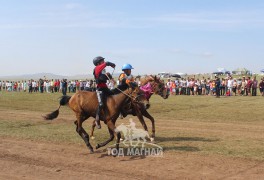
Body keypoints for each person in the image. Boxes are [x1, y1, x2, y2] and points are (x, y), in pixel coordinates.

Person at [93, 56, 116, 129]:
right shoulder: (96, 68)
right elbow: (106, 63)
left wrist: (111, 78)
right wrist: (109, 63)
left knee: (114, 97)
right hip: (100, 89)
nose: (103, 61)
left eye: (103, 60)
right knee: (101, 104)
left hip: (105, 88)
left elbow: (106, 76)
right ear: (98, 63)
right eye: (102, 61)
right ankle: (97, 119)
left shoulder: (102, 70)